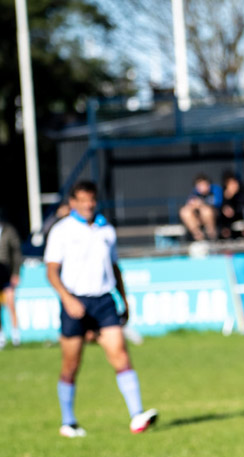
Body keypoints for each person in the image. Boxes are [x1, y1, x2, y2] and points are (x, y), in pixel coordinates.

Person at [43, 181, 158, 438]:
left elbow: (115, 268)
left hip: (104, 301)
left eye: (92, 199)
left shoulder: (106, 229)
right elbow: (51, 271)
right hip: (75, 302)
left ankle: (137, 415)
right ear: (73, 202)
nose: (88, 204)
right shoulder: (61, 230)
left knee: (121, 355)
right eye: (83, 200)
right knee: (71, 364)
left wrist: (124, 300)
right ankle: (68, 421)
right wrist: (67, 299)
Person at [0, 213, 22, 348]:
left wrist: (16, 273)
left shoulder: (8, 230)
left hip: (6, 273)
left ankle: (15, 335)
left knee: (10, 304)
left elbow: (16, 253)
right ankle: (1, 337)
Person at [179, 173, 219, 241]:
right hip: (198, 218)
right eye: (199, 185)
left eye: (203, 184)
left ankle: (211, 235)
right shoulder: (194, 193)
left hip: (215, 216)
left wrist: (202, 204)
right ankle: (198, 235)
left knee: (206, 211)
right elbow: (189, 204)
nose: (201, 187)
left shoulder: (215, 190)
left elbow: (218, 203)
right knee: (184, 211)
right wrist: (195, 205)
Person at [216, 172, 244, 240]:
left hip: (243, 222)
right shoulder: (222, 194)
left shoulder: (243, 192)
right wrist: (228, 196)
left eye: (234, 183)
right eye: (231, 184)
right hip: (228, 224)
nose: (234, 186)